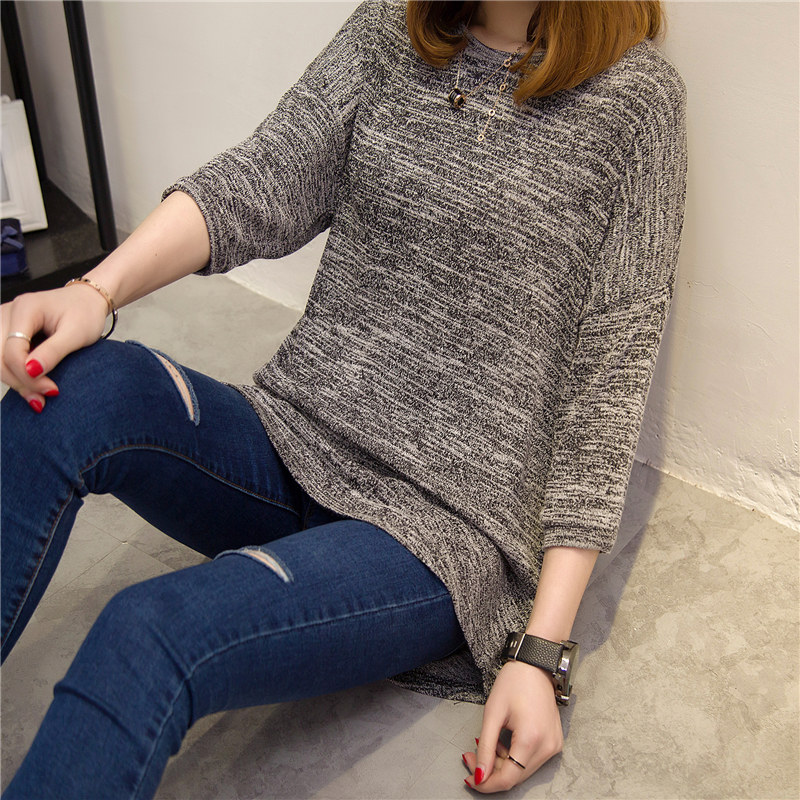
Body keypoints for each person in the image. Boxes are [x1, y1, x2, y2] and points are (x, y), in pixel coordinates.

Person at [0, 0, 688, 796]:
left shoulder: (637, 104)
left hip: (436, 533)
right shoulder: (390, 30)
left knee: (148, 630)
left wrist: (540, 656)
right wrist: (94, 291)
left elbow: (608, 386)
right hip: (295, 438)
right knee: (77, 388)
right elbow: (262, 177)